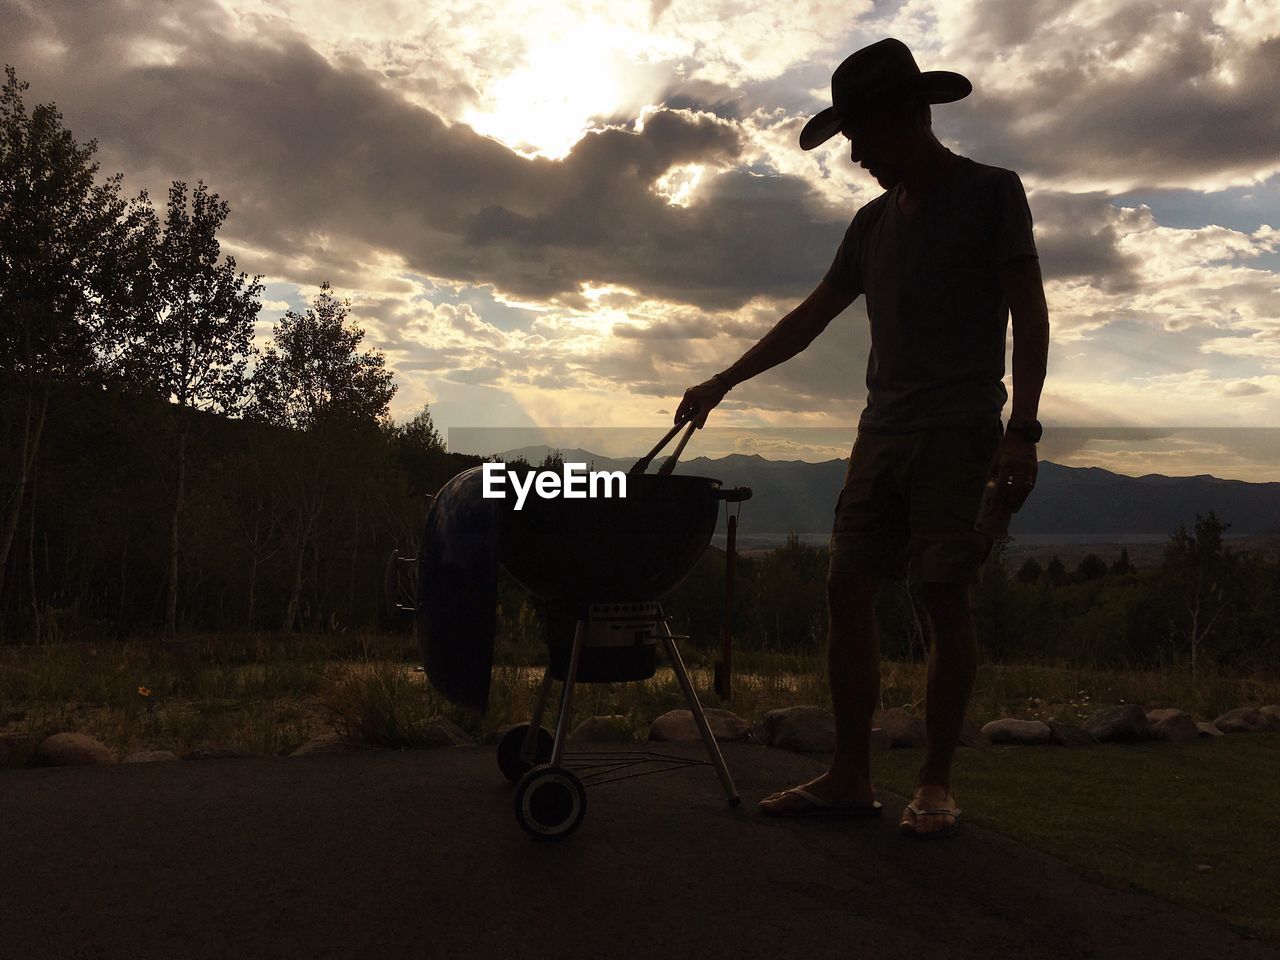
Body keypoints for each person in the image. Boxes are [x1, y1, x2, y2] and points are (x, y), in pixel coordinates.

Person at [674, 38, 1050, 838]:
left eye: (863, 137)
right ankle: (849, 776)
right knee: (847, 588)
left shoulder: (992, 193)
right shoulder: (871, 223)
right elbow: (810, 318)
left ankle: (936, 783)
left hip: (959, 429)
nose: (855, 155)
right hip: (881, 431)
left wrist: (1022, 431)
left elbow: (1029, 311)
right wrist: (722, 382)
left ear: (909, 117)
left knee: (942, 595)